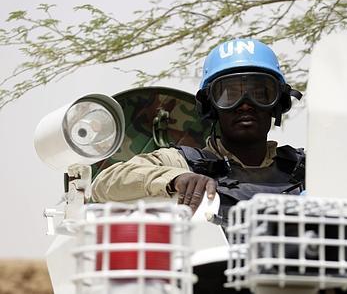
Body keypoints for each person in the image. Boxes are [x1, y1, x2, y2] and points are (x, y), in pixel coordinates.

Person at [91, 38, 304, 219]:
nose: (245, 104)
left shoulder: (305, 169)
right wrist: (174, 179)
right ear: (210, 106)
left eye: (259, 94)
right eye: (229, 95)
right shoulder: (185, 163)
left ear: (278, 103)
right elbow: (104, 183)